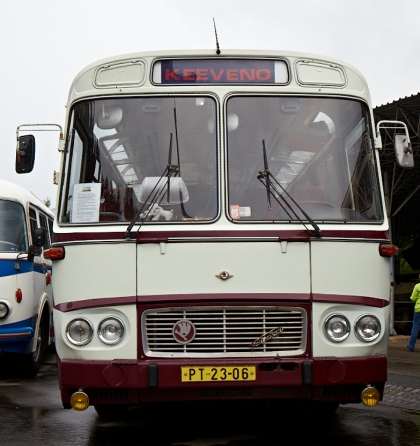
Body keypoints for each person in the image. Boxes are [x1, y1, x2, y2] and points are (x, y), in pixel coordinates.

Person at [407, 274, 420, 352]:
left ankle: (411, 346)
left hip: (418, 309)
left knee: (415, 327)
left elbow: (413, 298)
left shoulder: (417, 286)